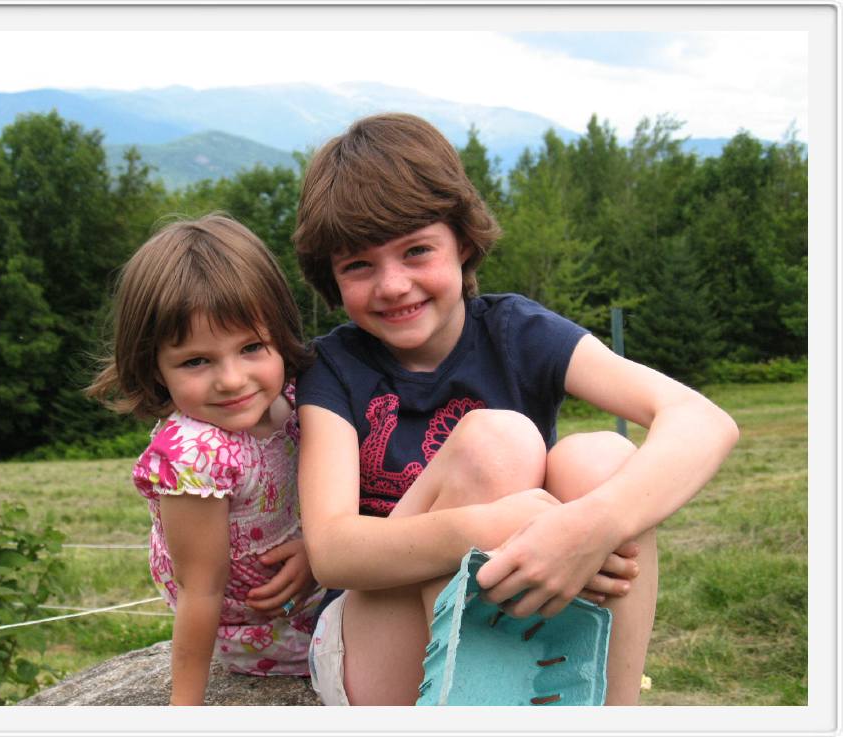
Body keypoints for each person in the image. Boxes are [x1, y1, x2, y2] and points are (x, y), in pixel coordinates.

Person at [292, 113, 739, 706]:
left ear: (464, 242)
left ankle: (613, 707)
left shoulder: (515, 330)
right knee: (495, 443)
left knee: (602, 459)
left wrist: (590, 525)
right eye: (359, 265)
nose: (393, 284)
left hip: (529, 608)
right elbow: (333, 553)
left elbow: (704, 420)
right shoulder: (334, 365)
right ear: (331, 276)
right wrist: (494, 527)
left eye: (417, 250)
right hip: (376, 642)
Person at [87, 215, 322, 705]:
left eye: (252, 347)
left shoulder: (300, 402)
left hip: (317, 577)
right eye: (197, 360)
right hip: (260, 627)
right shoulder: (196, 457)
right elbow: (201, 591)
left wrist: (319, 554)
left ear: (280, 334)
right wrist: (187, 710)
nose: (233, 379)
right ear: (154, 365)